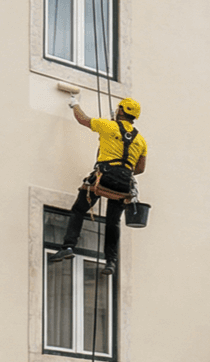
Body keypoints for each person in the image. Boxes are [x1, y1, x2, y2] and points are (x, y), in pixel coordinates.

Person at [50, 96, 147, 274]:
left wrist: (75, 104)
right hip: (124, 183)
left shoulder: (108, 126)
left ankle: (68, 246)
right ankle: (111, 261)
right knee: (113, 221)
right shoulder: (141, 140)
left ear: (121, 111)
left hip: (104, 175)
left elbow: (83, 119)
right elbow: (140, 168)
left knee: (80, 209)